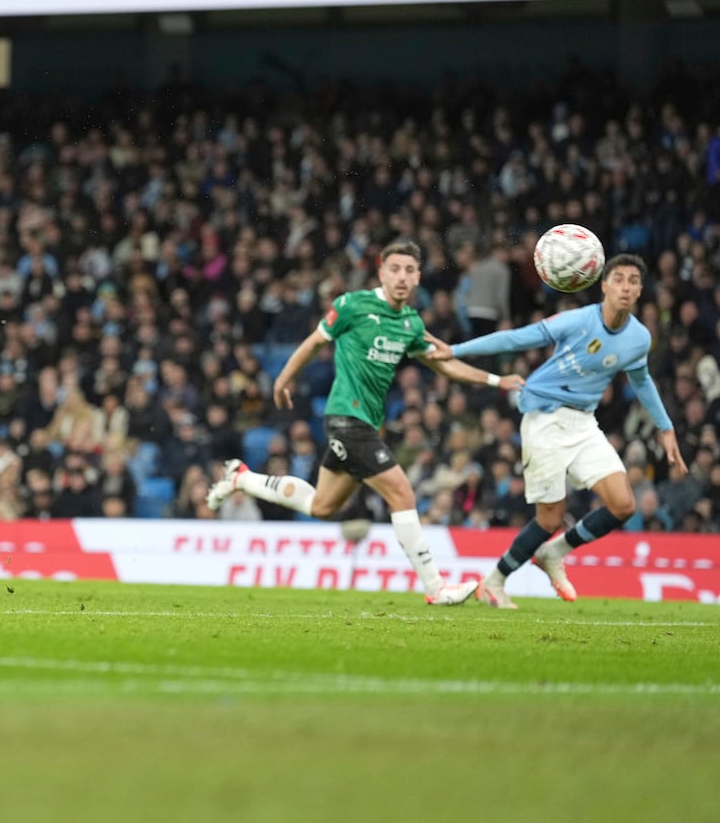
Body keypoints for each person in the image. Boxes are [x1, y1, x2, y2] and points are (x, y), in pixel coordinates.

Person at [208, 240, 519, 605]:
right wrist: (282, 379)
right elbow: (314, 343)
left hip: (367, 424)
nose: (402, 277)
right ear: (381, 273)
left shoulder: (411, 323)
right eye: (395, 269)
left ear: (418, 277)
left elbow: (443, 363)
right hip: (345, 418)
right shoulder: (352, 305)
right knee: (402, 492)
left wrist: (497, 381)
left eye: (409, 270)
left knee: (323, 506)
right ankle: (436, 588)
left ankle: (241, 478)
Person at [424, 253, 687, 608]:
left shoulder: (639, 338)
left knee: (623, 504)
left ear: (640, 291)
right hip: (544, 418)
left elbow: (642, 381)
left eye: (633, 281)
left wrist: (666, 428)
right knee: (549, 518)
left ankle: (554, 554)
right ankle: (495, 581)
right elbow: (517, 339)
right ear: (604, 285)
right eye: (619, 279)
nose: (626, 287)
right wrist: (455, 349)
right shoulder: (578, 320)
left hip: (583, 423)